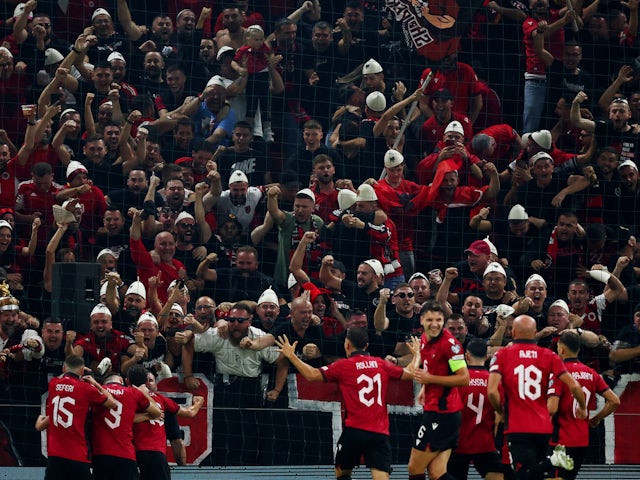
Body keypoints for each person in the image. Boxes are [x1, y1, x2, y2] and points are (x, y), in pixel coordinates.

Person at [275, 328, 420, 480]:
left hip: (354, 432)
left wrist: (291, 356)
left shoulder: (343, 366)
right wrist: (417, 354)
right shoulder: (381, 364)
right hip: (380, 433)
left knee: (342, 472)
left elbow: (312, 375)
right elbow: (410, 373)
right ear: (366, 345)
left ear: (347, 345)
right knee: (381, 476)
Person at [487, 315, 588, 480]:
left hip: (517, 427)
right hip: (543, 427)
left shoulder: (503, 354)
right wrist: (582, 407)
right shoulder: (549, 355)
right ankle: (550, 462)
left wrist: (501, 411)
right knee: (536, 475)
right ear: (534, 333)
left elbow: (491, 391)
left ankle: (552, 462)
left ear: (513, 332)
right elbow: (575, 386)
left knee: (521, 475)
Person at [407, 300, 470, 480]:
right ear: (421, 321)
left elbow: (464, 378)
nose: (434, 324)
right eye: (430, 320)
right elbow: (433, 367)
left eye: (438, 320)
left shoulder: (450, 345)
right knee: (437, 473)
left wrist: (430, 380)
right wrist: (425, 388)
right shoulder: (425, 339)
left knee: (414, 467)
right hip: (438, 409)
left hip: (443, 414)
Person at [547, 331, 620, 480]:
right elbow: (615, 401)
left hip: (561, 439)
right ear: (578, 349)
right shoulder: (591, 373)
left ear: (561, 349)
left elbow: (552, 408)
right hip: (581, 439)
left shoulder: (559, 373)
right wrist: (595, 419)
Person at [36, 354, 117, 480]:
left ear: (63, 369)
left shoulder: (53, 384)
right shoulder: (86, 389)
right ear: (81, 370)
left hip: (55, 456)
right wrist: (95, 383)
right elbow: (112, 403)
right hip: (76, 454)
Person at [127, 365, 204, 480]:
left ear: (127, 380)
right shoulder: (161, 400)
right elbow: (189, 413)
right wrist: (198, 403)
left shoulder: (127, 397)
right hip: (157, 456)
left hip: (134, 454)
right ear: (146, 382)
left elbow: (126, 418)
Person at [448, 339, 504, 480]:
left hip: (459, 444)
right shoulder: (495, 382)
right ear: (486, 357)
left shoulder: (457, 380)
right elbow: (500, 415)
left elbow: (450, 413)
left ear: (466, 357)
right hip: (485, 444)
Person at [90, 372, 161, 480]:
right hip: (125, 453)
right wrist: (146, 416)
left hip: (101, 453)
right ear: (121, 380)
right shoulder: (133, 392)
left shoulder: (98, 391)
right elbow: (157, 412)